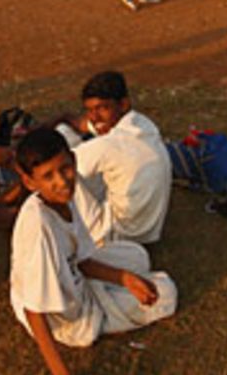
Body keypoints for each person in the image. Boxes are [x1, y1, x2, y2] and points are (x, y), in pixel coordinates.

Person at [10, 128, 177, 375]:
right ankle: (106, 322)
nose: (62, 181)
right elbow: (34, 311)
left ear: (73, 160)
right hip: (70, 318)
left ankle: (117, 293)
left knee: (136, 255)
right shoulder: (37, 228)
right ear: (29, 182)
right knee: (166, 294)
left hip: (74, 276)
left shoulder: (64, 197)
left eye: (65, 169)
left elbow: (83, 260)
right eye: (48, 176)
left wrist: (125, 278)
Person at [67, 72, 171, 247]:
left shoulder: (111, 144)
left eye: (102, 108)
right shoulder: (143, 124)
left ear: (123, 104)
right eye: (90, 110)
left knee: (57, 169)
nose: (94, 116)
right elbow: (82, 124)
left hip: (116, 234)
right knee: (68, 141)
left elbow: (51, 164)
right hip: (149, 232)